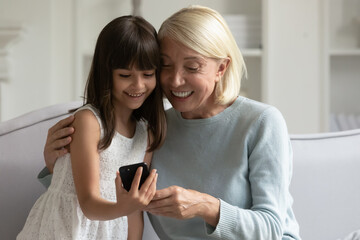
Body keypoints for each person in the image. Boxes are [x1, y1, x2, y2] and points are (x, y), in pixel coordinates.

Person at [40, 5, 301, 240]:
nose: (175, 81)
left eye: (192, 67)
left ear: (221, 68)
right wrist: (56, 164)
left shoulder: (262, 122)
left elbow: (272, 229)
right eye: (165, 65)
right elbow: (106, 193)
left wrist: (204, 206)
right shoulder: (153, 128)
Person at [17, 15, 166, 240]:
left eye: (148, 75)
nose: (138, 85)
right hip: (64, 231)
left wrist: (129, 208)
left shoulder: (146, 134)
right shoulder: (89, 122)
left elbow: (134, 212)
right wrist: (123, 208)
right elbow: (88, 204)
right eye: (125, 75)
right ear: (106, 74)